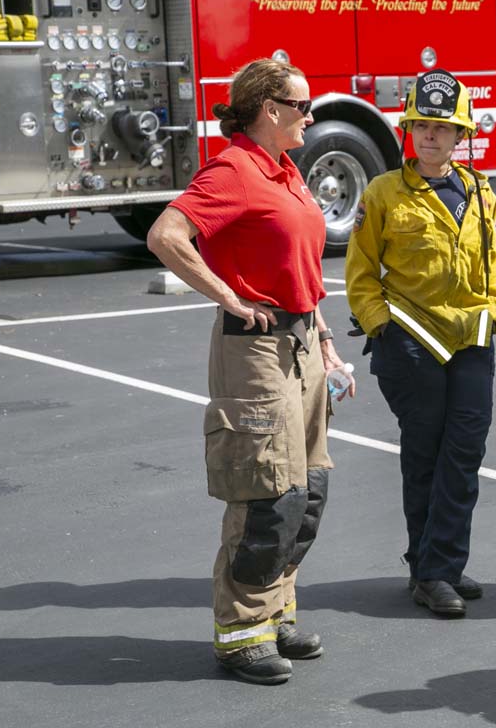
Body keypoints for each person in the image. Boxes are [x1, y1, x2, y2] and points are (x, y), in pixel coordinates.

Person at [147, 58, 351, 685]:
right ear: (270, 109)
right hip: (255, 351)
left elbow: (299, 271)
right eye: (301, 106)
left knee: (307, 491)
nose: (309, 117)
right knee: (267, 492)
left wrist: (325, 342)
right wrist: (227, 296)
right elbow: (166, 234)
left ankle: (275, 613)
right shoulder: (234, 169)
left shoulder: (286, 170)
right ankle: (241, 635)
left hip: (301, 344)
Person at [345, 68, 496, 619]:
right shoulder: (384, 191)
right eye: (422, 125)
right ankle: (433, 570)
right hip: (411, 337)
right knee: (426, 454)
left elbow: (493, 261)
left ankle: (439, 563)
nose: (431, 135)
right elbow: (361, 270)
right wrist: (377, 324)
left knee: (464, 452)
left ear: (460, 135)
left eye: (442, 126)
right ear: (410, 129)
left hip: (472, 336)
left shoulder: (481, 191)